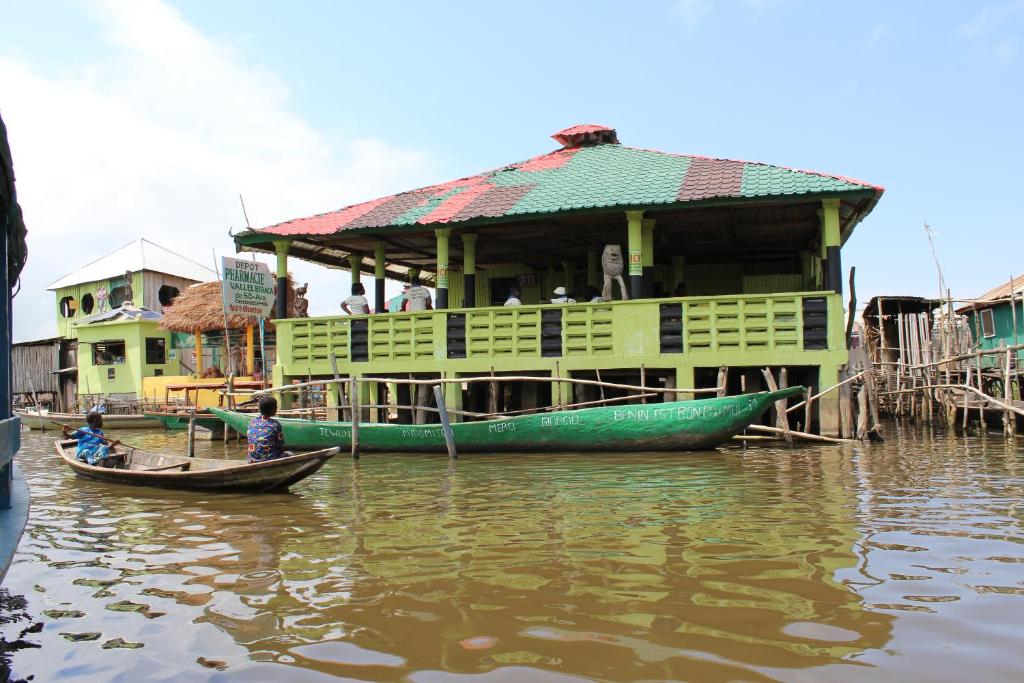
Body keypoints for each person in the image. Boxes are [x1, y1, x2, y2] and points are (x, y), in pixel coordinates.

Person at [246, 396, 287, 463]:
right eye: (276, 407)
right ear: (272, 409)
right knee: (288, 454)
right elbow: (281, 445)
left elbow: (251, 440)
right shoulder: (275, 424)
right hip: (270, 459)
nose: (277, 408)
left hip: (252, 459)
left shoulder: (251, 422)